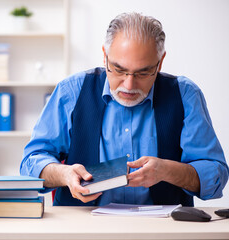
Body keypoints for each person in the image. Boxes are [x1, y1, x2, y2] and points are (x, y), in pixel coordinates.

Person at [20, 12, 228, 206]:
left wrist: (168, 171)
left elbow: (216, 176)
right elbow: (30, 165)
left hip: (163, 230)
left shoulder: (185, 95)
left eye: (143, 73)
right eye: (119, 69)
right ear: (105, 56)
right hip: (83, 228)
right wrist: (64, 174)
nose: (129, 85)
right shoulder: (71, 92)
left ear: (160, 62)